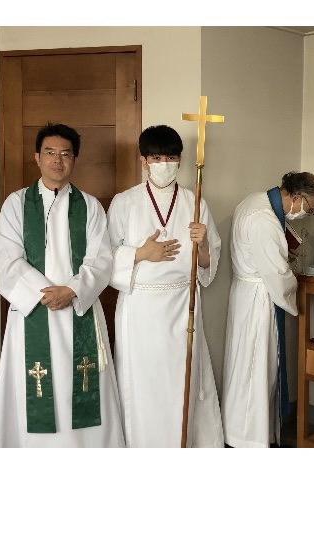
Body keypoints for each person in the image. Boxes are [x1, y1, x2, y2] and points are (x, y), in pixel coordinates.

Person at [0, 123, 125, 447]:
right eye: (50, 152)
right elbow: (8, 261)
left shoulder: (89, 206)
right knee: (35, 387)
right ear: (37, 157)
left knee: (79, 389)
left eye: (66, 154)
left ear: (74, 159)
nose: (57, 160)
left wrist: (73, 290)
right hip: (32, 314)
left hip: (78, 310)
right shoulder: (16, 204)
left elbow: (101, 259)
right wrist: (46, 294)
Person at [106, 124, 223, 447]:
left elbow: (207, 263)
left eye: (171, 157)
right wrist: (141, 253)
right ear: (143, 161)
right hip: (140, 309)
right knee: (144, 385)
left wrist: (203, 246)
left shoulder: (194, 202)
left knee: (181, 381)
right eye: (157, 158)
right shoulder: (125, 202)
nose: (164, 164)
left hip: (182, 305)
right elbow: (104, 256)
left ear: (181, 160)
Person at [221, 172, 314, 448]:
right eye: (311, 208)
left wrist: (280, 256)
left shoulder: (254, 200)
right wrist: (295, 282)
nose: (308, 213)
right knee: (256, 368)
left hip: (247, 293)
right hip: (259, 299)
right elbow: (277, 277)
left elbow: (263, 256)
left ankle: (243, 432)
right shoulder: (264, 219)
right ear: (298, 197)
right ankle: (250, 438)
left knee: (244, 365)